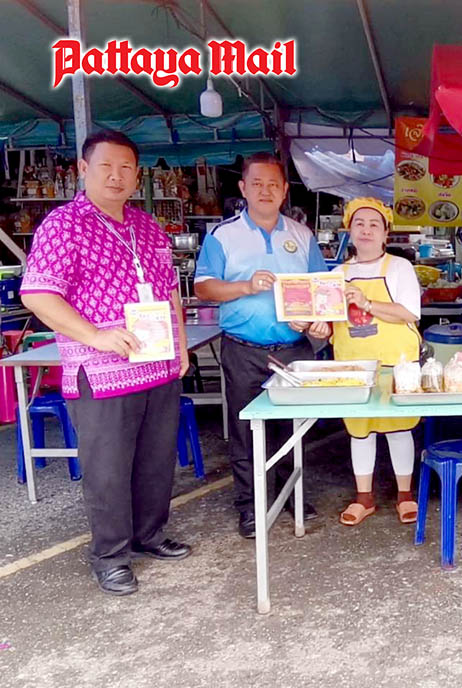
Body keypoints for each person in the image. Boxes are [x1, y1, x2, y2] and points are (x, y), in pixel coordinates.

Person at [21, 130, 191, 596]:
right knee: (109, 467)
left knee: (157, 460)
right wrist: (95, 334)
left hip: (157, 363)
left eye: (126, 168)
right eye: (105, 166)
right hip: (102, 370)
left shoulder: (147, 225)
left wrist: (180, 345)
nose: (116, 176)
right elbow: (37, 293)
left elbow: (170, 289)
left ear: (137, 175)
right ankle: (110, 554)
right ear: (83, 169)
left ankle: (149, 534)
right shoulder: (64, 224)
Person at [194, 152, 329, 538]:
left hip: (293, 350)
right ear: (243, 189)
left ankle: (294, 495)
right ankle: (251, 507)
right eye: (257, 183)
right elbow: (204, 287)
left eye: (273, 184)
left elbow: (321, 290)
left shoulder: (302, 236)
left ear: (285, 190)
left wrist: (320, 321)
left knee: (294, 429)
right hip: (243, 349)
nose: (265, 191)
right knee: (246, 430)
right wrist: (245, 286)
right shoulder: (223, 236)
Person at [330, 197, 422, 526]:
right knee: (360, 431)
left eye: (374, 224)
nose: (366, 230)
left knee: (398, 428)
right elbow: (329, 322)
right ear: (349, 231)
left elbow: (410, 313)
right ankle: (364, 497)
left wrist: (367, 303)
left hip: (396, 363)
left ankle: (405, 495)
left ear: (386, 233)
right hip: (353, 366)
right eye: (359, 223)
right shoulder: (336, 274)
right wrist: (314, 323)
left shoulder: (399, 267)